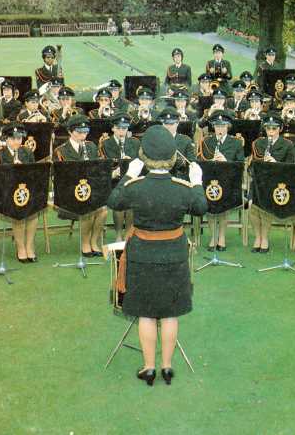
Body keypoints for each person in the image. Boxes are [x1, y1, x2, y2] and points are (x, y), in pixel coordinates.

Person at [107, 125, 207, 386]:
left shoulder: (136, 186)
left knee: (147, 313)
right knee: (170, 313)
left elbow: (114, 201)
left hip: (142, 255)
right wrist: (197, 182)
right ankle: (167, 366)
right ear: (173, 156)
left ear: (144, 156)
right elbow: (201, 207)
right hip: (174, 254)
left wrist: (128, 175)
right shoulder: (183, 187)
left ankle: (149, 368)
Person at [53, 114, 107, 256]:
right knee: (88, 210)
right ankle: (85, 243)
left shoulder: (91, 146)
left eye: (85, 132)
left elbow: (99, 169)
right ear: (70, 132)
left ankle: (94, 242)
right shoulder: (61, 150)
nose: (83, 135)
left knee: (103, 210)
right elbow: (60, 177)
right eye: (79, 132)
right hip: (70, 193)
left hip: (90, 190)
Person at [249, 112, 295, 253]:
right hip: (260, 181)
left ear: (280, 129)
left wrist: (275, 164)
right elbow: (251, 167)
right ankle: (258, 236)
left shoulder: (287, 144)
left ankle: (265, 238)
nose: (271, 131)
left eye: (274, 128)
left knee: (265, 205)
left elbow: (291, 168)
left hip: (278, 183)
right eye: (268, 128)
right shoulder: (258, 143)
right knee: (251, 205)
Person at [0, 122, 40, 263]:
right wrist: (13, 169)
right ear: (6, 139)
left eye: (19, 139)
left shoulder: (27, 152)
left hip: (25, 190)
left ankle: (29, 245)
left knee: (34, 208)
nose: (16, 142)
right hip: (7, 192)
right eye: (13, 139)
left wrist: (24, 170)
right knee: (18, 208)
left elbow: (34, 174)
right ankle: (20, 247)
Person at [198, 110, 244, 251]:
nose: (220, 129)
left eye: (223, 126)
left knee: (223, 207)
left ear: (228, 126)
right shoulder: (207, 142)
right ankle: (213, 236)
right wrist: (211, 162)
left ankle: (222, 237)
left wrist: (226, 161)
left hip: (228, 182)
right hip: (210, 181)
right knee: (210, 208)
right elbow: (200, 162)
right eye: (217, 126)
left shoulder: (236, 143)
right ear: (213, 127)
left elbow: (241, 164)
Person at [99, 113, 141, 241]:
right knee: (118, 198)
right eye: (118, 128)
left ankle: (128, 232)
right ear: (113, 128)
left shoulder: (134, 142)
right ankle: (118, 234)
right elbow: (104, 164)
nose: (122, 131)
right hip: (114, 180)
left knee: (131, 198)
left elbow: (139, 161)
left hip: (131, 179)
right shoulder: (106, 144)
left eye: (124, 128)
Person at [157, 107, 196, 181]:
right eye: (166, 123)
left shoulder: (186, 141)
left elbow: (192, 164)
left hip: (179, 180)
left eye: (171, 124)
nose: (168, 127)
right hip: (159, 179)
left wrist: (182, 163)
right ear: (162, 124)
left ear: (177, 123)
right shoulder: (156, 140)